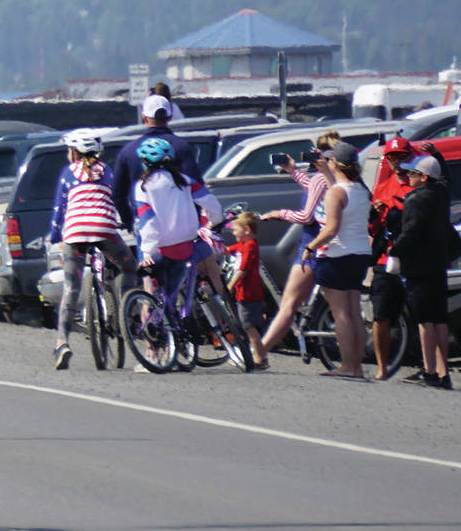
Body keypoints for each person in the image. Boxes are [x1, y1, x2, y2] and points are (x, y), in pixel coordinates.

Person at [276, 142, 372, 379]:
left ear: (335, 164)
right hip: (360, 254)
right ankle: (356, 365)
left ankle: (348, 366)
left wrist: (311, 246)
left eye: (329, 160)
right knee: (353, 312)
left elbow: (331, 229)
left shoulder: (336, 192)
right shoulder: (361, 189)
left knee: (341, 314)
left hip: (337, 255)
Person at [128, 135, 223, 372]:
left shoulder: (143, 187)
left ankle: (156, 348)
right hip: (185, 246)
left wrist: (147, 252)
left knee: (149, 284)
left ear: (145, 163)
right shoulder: (187, 181)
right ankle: (177, 333)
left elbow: (148, 222)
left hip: (160, 250)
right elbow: (212, 204)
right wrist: (213, 222)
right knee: (172, 290)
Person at [48, 129, 131, 370]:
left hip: (74, 233)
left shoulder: (67, 173)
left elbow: (58, 210)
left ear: (74, 153)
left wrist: (55, 236)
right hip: (105, 231)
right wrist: (126, 222)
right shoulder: (107, 171)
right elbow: (118, 199)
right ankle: (127, 313)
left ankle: (62, 343)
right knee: (128, 266)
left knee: (70, 287)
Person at [386, 154, 454, 389]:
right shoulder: (441, 195)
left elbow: (411, 232)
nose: (408, 176)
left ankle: (429, 370)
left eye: (413, 173)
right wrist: (437, 156)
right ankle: (444, 372)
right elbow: (445, 180)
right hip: (438, 263)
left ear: (424, 177)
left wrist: (395, 250)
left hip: (419, 266)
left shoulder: (415, 200)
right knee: (440, 319)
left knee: (424, 321)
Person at [107, 94, 201, 220]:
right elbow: (197, 187)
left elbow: (117, 194)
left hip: (145, 223)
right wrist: (195, 218)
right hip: (179, 221)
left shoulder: (128, 151)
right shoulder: (181, 147)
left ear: (144, 117)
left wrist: (129, 222)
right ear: (170, 116)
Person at [224, 210, 269, 369]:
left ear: (247, 230)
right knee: (248, 326)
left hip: (248, 293)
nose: (233, 232)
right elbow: (232, 248)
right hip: (246, 293)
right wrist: (224, 249)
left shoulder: (250, 246)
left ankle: (260, 358)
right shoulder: (245, 244)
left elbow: (243, 269)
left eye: (236, 229)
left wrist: (230, 284)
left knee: (249, 326)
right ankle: (259, 355)